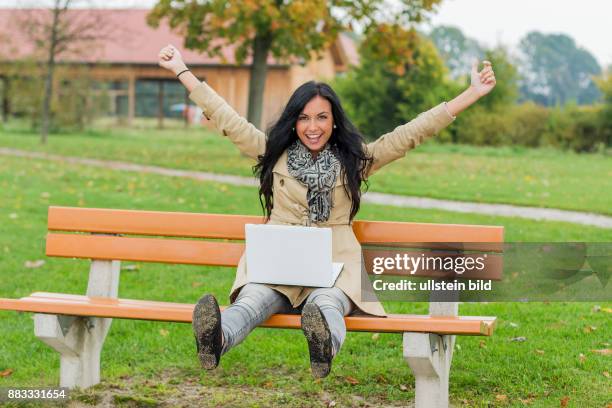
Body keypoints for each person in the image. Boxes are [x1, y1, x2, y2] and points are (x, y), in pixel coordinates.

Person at [157, 44, 496, 378]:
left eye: (321, 117)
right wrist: (181, 70)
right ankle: (215, 339)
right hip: (280, 263)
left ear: (334, 121)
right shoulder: (273, 153)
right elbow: (226, 119)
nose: (313, 126)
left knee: (325, 304)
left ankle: (324, 347)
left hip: (335, 267)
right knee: (251, 301)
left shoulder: (356, 159)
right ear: (294, 122)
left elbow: (412, 133)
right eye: (304, 118)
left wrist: (471, 93)